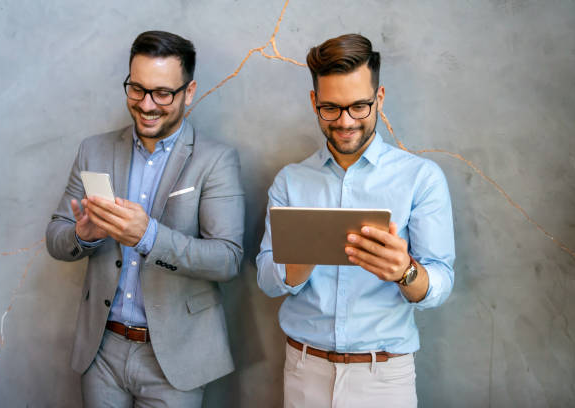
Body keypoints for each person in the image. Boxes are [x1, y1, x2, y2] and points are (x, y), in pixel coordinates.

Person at [46, 31, 244, 407]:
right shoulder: (94, 149)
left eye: (162, 93)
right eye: (136, 89)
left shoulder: (216, 160)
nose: (146, 104)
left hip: (176, 359)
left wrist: (148, 236)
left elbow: (228, 259)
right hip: (101, 351)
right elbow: (56, 237)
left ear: (189, 91)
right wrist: (83, 235)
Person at [256, 33, 455, 407]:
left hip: (385, 377)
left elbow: (441, 281)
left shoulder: (421, 177)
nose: (345, 121)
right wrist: (302, 256)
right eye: (330, 108)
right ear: (314, 102)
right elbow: (267, 279)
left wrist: (405, 271)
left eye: (359, 106)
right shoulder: (289, 181)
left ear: (379, 98)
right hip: (303, 370)